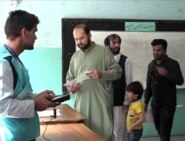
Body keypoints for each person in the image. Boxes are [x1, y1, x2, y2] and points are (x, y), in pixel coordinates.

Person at [0, 10, 56, 141]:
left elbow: (17, 94)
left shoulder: (13, 59)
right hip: (12, 137)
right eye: (34, 31)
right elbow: (2, 105)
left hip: (22, 135)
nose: (36, 37)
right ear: (24, 32)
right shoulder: (4, 63)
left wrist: (37, 97)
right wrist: (35, 104)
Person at [66, 24, 122, 141]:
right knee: (83, 135)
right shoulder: (75, 57)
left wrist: (102, 74)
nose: (79, 42)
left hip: (101, 105)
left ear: (89, 36)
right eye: (76, 39)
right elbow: (69, 79)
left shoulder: (104, 51)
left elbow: (118, 72)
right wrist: (71, 87)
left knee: (102, 135)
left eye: (82, 38)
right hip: (81, 105)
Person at [144, 39, 184, 141]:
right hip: (155, 104)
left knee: (164, 131)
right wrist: (145, 102)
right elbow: (149, 85)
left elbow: (180, 81)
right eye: (154, 50)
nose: (155, 52)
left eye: (159, 50)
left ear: (165, 51)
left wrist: (166, 74)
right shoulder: (151, 65)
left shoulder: (173, 63)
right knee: (159, 130)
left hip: (168, 103)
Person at [104, 34, 133, 141]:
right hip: (105, 102)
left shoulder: (126, 61)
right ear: (107, 46)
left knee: (119, 131)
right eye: (114, 43)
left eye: (118, 42)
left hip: (119, 103)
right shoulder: (102, 61)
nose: (117, 45)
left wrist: (127, 102)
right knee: (107, 130)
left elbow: (129, 83)